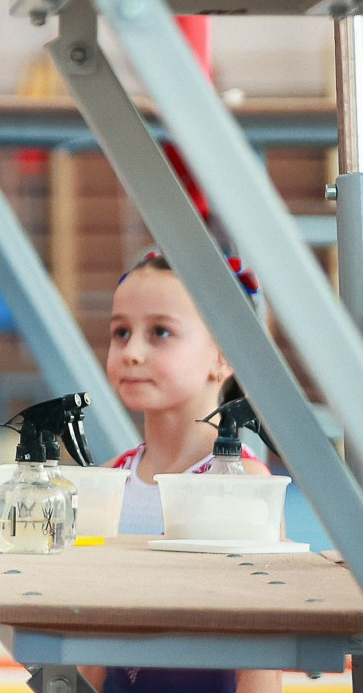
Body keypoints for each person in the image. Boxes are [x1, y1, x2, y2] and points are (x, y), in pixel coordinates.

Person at [93, 252, 279, 693]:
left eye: (160, 332)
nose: (132, 352)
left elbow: (263, 653)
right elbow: (87, 643)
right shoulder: (108, 479)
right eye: (121, 332)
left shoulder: (242, 487)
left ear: (224, 355)